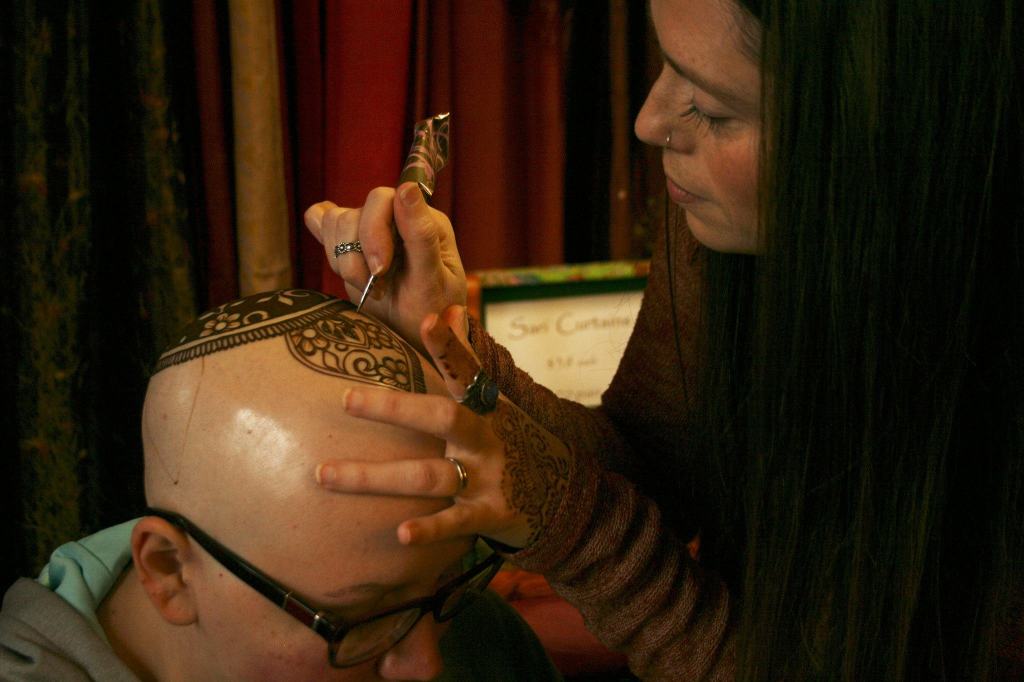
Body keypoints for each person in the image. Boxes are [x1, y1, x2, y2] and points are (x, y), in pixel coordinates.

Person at [303, 0, 1024, 679]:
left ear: (884, 129)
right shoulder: (722, 235)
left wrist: (572, 525)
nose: (649, 121)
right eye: (664, 60)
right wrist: (452, 342)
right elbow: (653, 472)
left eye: (710, 106)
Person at [0, 290, 562, 681]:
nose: (427, 666)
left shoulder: (471, 632)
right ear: (169, 571)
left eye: (452, 576)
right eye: (363, 619)